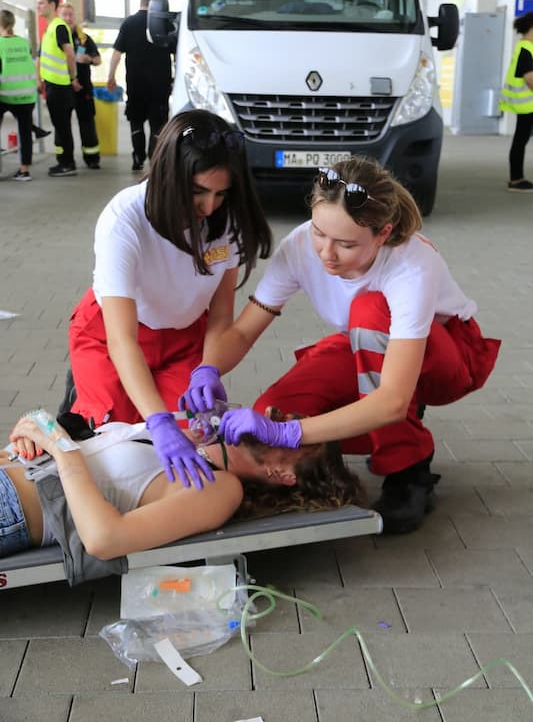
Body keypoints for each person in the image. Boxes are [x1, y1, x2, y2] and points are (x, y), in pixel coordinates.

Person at [180, 156, 501, 535]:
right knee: (274, 412)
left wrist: (291, 436)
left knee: (369, 313)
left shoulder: (411, 264)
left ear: (383, 233)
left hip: (448, 359)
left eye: (346, 244)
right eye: (319, 232)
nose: (326, 253)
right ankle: (318, 474)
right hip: (367, 345)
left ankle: (407, 469)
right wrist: (207, 369)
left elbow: (393, 400)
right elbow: (243, 332)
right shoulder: (300, 245)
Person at [67, 108, 272, 491]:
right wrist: (157, 422)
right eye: (198, 192)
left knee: (191, 438)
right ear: (168, 176)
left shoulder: (225, 220)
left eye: (221, 194)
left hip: (183, 338)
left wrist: (207, 368)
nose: (210, 207)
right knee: (116, 437)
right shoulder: (123, 220)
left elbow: (221, 314)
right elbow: (121, 338)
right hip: (114, 335)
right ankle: (87, 401)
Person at [1, 408, 366, 580]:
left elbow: (103, 539)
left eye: (291, 430)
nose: (274, 413)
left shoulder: (220, 489)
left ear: (285, 474)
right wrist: (31, 431)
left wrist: (61, 447)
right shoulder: (189, 439)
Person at [107, 0, 172, 172]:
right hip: (160, 84)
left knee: (136, 121)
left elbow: (116, 54)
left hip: (136, 84)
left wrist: (111, 77)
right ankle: (155, 160)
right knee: (157, 125)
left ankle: (137, 158)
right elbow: (176, 52)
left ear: (140, 2)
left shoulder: (129, 23)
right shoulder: (164, 23)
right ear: (154, 4)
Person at [36, 0, 81, 177]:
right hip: (53, 85)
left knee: (62, 126)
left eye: (41, 3)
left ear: (52, 5)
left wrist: (73, 78)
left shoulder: (58, 27)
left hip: (61, 86)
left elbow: (70, 54)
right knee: (59, 126)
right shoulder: (49, 29)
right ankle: (63, 162)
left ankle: (68, 164)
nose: (38, 6)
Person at [59, 3, 101, 169]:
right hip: (63, 88)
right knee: (62, 125)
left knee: (87, 123)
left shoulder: (83, 38)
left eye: (71, 15)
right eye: (65, 15)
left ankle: (92, 158)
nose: (68, 18)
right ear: (59, 17)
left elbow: (98, 59)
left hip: (83, 89)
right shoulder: (55, 37)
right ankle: (64, 159)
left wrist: (89, 59)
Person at [0, 10, 38, 181]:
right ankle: (24, 170)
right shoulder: (24, 43)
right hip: (27, 95)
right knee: (25, 132)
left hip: (5, 94)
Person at [500, 11, 533, 193]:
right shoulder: (526, 49)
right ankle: (516, 179)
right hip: (527, 105)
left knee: (521, 139)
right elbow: (529, 78)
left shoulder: (526, 47)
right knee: (520, 140)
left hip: (527, 105)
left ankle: (516, 178)